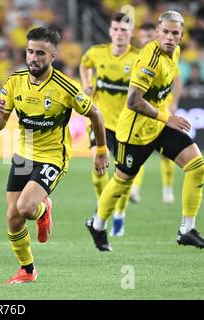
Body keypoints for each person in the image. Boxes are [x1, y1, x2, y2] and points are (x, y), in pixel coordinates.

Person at [0, 27, 109, 284]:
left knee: (26, 206)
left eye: (40, 53)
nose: (33, 57)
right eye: (30, 51)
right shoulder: (14, 81)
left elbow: (95, 115)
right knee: (13, 217)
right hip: (23, 155)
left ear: (53, 55)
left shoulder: (65, 87)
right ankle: (28, 270)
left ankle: (43, 209)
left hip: (53, 157)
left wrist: (101, 150)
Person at [86, 11, 204, 251]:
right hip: (135, 133)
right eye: (165, 32)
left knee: (197, 165)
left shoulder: (176, 54)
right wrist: (167, 117)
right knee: (121, 182)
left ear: (181, 37)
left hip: (158, 126)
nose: (169, 37)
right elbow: (133, 101)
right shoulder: (150, 59)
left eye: (175, 33)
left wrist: (164, 116)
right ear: (158, 33)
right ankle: (97, 225)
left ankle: (186, 230)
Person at [79, 12, 140, 237]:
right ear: (110, 31)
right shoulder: (96, 53)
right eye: (115, 29)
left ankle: (120, 215)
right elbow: (83, 65)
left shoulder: (137, 58)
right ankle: (101, 207)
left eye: (123, 30)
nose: (119, 33)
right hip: (100, 122)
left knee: (122, 176)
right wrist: (86, 84)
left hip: (125, 125)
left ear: (130, 33)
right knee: (98, 169)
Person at [129, 22, 182, 205]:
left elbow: (177, 80)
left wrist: (173, 103)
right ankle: (134, 189)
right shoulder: (141, 58)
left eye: (149, 36)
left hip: (164, 112)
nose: (146, 40)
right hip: (144, 113)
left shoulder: (169, 54)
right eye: (143, 37)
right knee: (138, 153)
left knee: (167, 155)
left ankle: (167, 190)